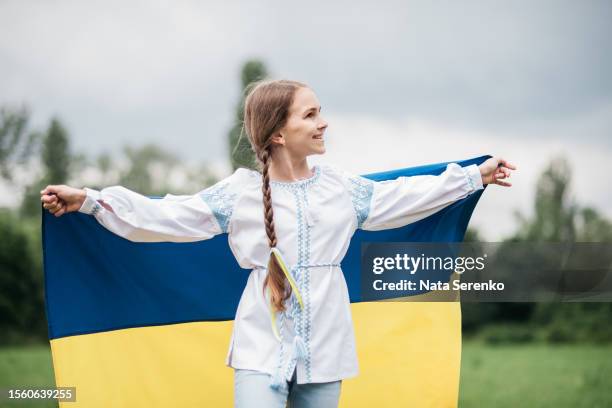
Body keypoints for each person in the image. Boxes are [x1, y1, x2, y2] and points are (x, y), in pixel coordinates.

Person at [40, 79, 516, 408]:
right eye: (311, 114)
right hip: (258, 349)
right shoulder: (239, 195)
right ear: (278, 133)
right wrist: (89, 201)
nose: (324, 122)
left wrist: (474, 176)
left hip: (327, 347)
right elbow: (163, 216)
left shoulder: (342, 191)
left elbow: (407, 196)